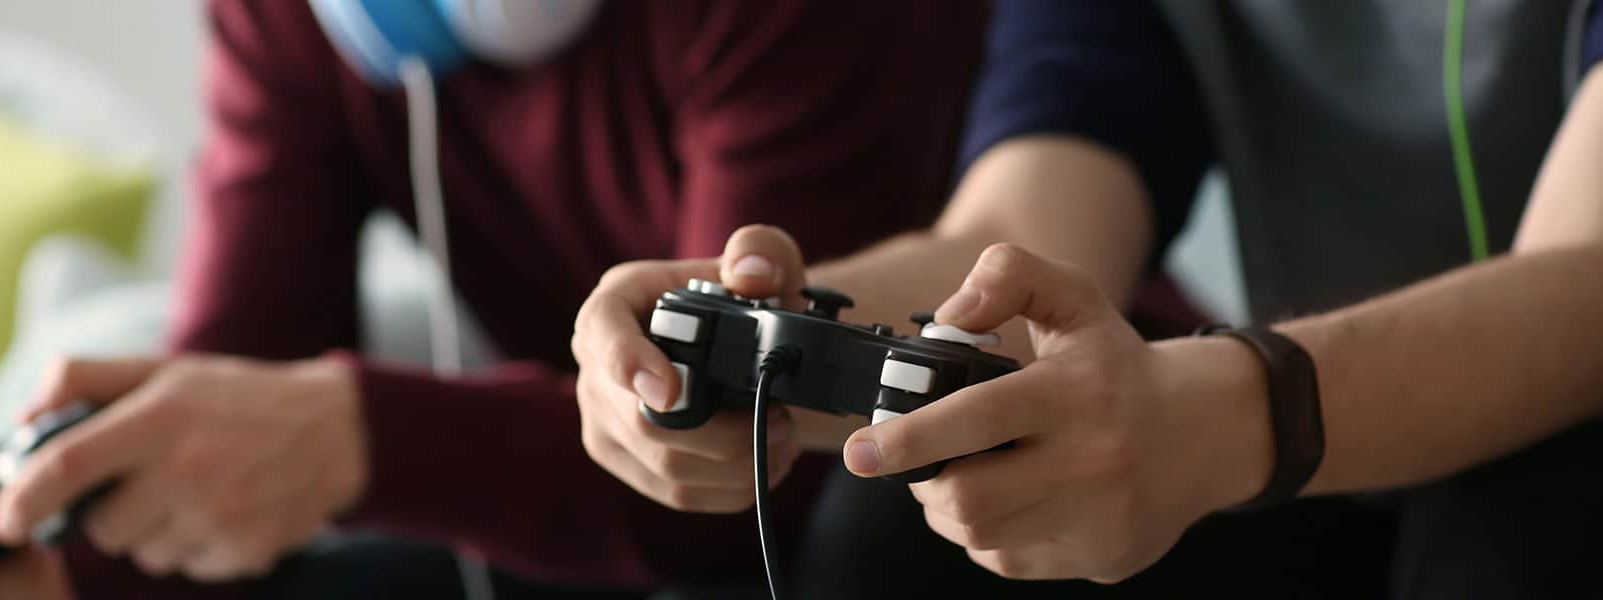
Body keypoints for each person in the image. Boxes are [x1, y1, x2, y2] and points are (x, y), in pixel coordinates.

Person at [0, 0, 995, 598]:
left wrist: (356, 437)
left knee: (872, 535)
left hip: (935, 502)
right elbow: (233, 377)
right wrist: (60, 556)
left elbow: (761, 452)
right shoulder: (296, 24)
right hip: (599, 526)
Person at [573, 0, 1603, 597]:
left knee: (1521, 526)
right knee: (897, 540)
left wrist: (1231, 414)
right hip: (1313, 466)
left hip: (1551, 444)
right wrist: (768, 338)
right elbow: (1015, 241)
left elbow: (1586, 289)